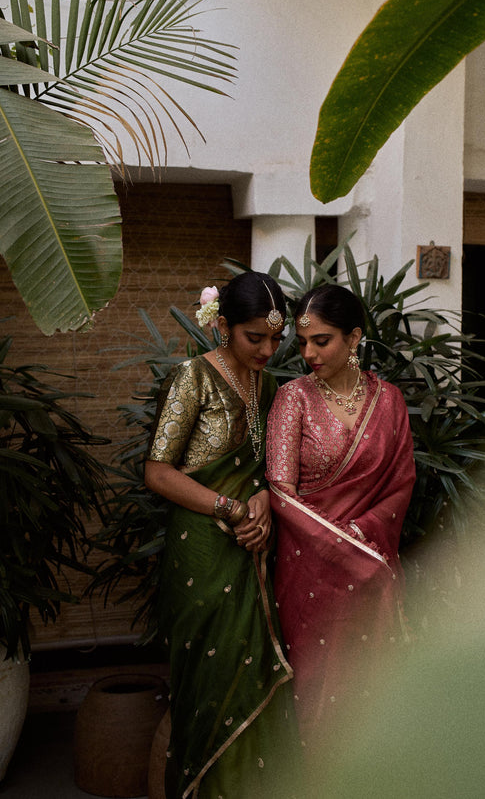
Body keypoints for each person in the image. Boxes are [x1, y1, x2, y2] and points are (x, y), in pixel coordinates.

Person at [145, 271, 299, 799]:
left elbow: (266, 471)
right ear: (224, 326)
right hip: (203, 556)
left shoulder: (270, 385)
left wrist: (262, 499)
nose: (268, 349)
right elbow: (158, 471)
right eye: (254, 337)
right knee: (207, 686)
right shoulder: (195, 378)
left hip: (250, 552)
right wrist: (233, 507)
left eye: (277, 339)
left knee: (254, 672)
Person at [265, 283, 416, 753]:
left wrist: (359, 537)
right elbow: (280, 491)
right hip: (310, 571)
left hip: (373, 562)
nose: (307, 352)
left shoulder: (388, 400)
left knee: (374, 695)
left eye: (321, 340)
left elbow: (400, 483)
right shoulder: (293, 399)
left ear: (354, 337)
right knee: (318, 699)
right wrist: (339, 545)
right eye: (302, 340)